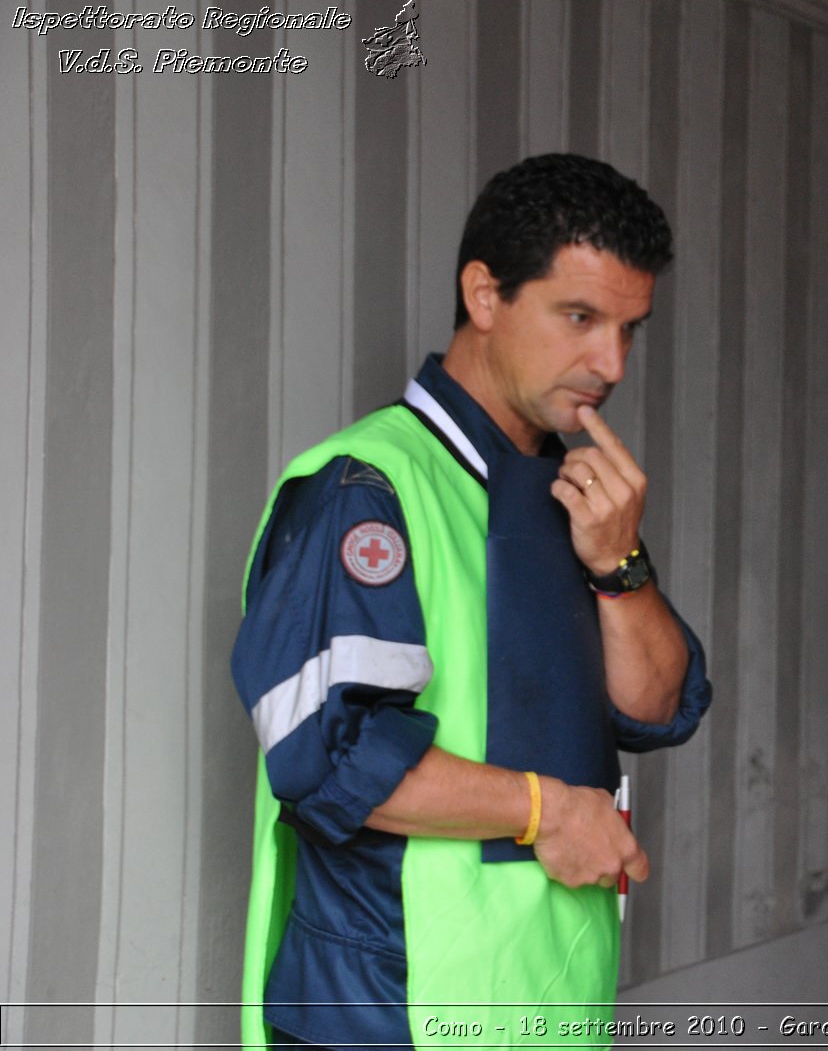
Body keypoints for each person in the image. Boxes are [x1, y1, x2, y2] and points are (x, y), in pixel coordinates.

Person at [231, 154, 712, 1049]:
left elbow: (659, 709)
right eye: (580, 317)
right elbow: (329, 752)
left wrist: (620, 564)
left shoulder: (571, 493)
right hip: (385, 1009)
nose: (610, 362)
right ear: (484, 295)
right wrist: (551, 811)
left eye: (629, 329)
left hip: (542, 998)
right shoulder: (365, 487)